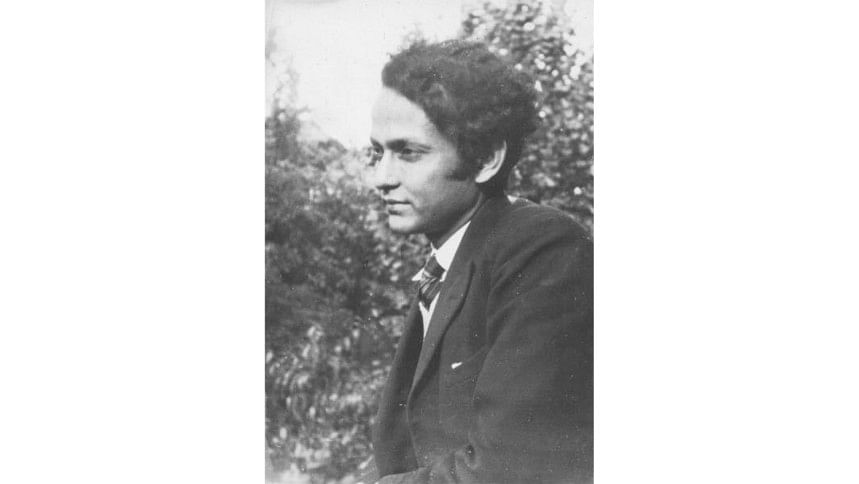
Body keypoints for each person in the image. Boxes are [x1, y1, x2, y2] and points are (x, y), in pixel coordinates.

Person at [363, 40, 593, 483]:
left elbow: (505, 469)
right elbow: (403, 451)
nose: (382, 178)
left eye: (408, 153)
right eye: (378, 152)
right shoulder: (452, 261)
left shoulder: (544, 252)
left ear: (487, 159)